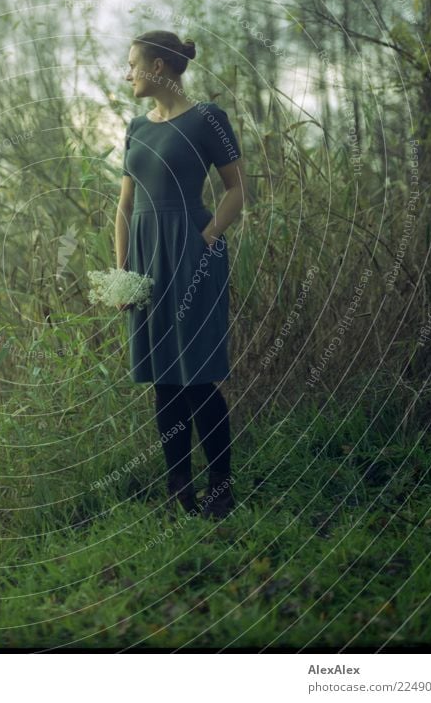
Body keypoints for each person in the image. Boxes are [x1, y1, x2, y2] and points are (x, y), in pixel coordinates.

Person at [115, 30, 245, 520]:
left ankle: (221, 489)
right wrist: (123, 272)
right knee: (164, 382)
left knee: (197, 378)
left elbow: (236, 190)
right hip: (146, 261)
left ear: (160, 67)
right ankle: (178, 493)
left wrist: (208, 237)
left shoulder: (208, 119)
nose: (127, 73)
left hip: (192, 254)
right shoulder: (136, 127)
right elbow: (124, 207)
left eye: (133, 63)